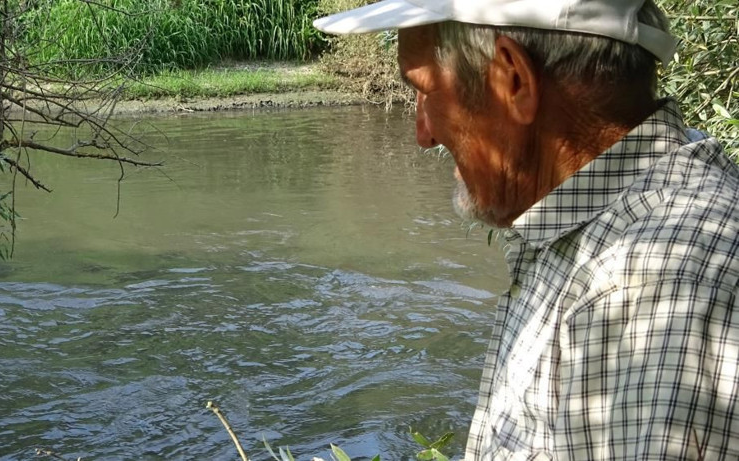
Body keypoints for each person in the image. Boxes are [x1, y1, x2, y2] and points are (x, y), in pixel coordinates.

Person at [314, 1, 739, 459]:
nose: (424, 133)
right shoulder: (603, 232)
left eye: (425, 90)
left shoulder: (656, 292)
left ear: (511, 79)